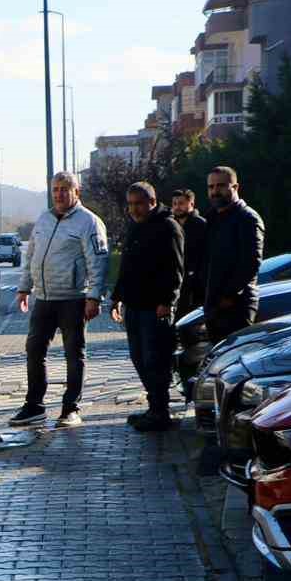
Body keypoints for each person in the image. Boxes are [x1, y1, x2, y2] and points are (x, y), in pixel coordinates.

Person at [10, 171, 110, 428]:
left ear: (77, 192)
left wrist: (94, 297)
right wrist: (24, 288)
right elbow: (31, 257)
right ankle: (34, 406)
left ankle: (71, 409)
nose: (59, 194)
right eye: (55, 189)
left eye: (65, 189)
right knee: (34, 350)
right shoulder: (44, 219)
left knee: (74, 354)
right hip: (44, 298)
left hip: (73, 299)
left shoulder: (89, 222)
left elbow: (98, 263)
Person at [111, 182, 185, 431]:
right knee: (139, 359)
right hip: (133, 305)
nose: (134, 209)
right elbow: (126, 266)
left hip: (155, 308)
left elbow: (175, 269)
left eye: (139, 204)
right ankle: (154, 407)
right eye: (130, 204)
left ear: (152, 202)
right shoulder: (135, 226)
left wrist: (167, 301)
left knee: (155, 361)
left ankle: (160, 412)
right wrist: (116, 298)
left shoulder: (168, 227)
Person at [201, 165, 264, 344]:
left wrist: (229, 295)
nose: (215, 191)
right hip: (213, 305)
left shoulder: (247, 218)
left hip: (237, 306)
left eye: (220, 186)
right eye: (211, 187)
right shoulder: (211, 219)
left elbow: (251, 262)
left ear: (235, 187)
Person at [170, 188, 207, 319]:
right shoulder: (170, 225)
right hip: (175, 284)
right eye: (174, 204)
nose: (177, 207)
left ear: (191, 204)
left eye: (181, 203)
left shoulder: (201, 225)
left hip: (195, 286)